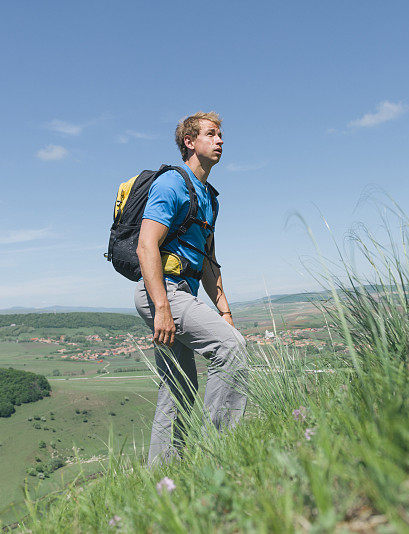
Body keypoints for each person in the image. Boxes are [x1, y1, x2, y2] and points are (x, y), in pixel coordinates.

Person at [134, 111, 248, 466]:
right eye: (212, 134)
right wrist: (163, 308)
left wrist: (224, 312)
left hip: (181, 291)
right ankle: (220, 454)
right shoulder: (171, 184)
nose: (220, 140)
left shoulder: (210, 198)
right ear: (189, 141)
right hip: (163, 293)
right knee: (232, 349)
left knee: (178, 387)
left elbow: (209, 262)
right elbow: (145, 246)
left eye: (220, 135)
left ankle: (162, 479)